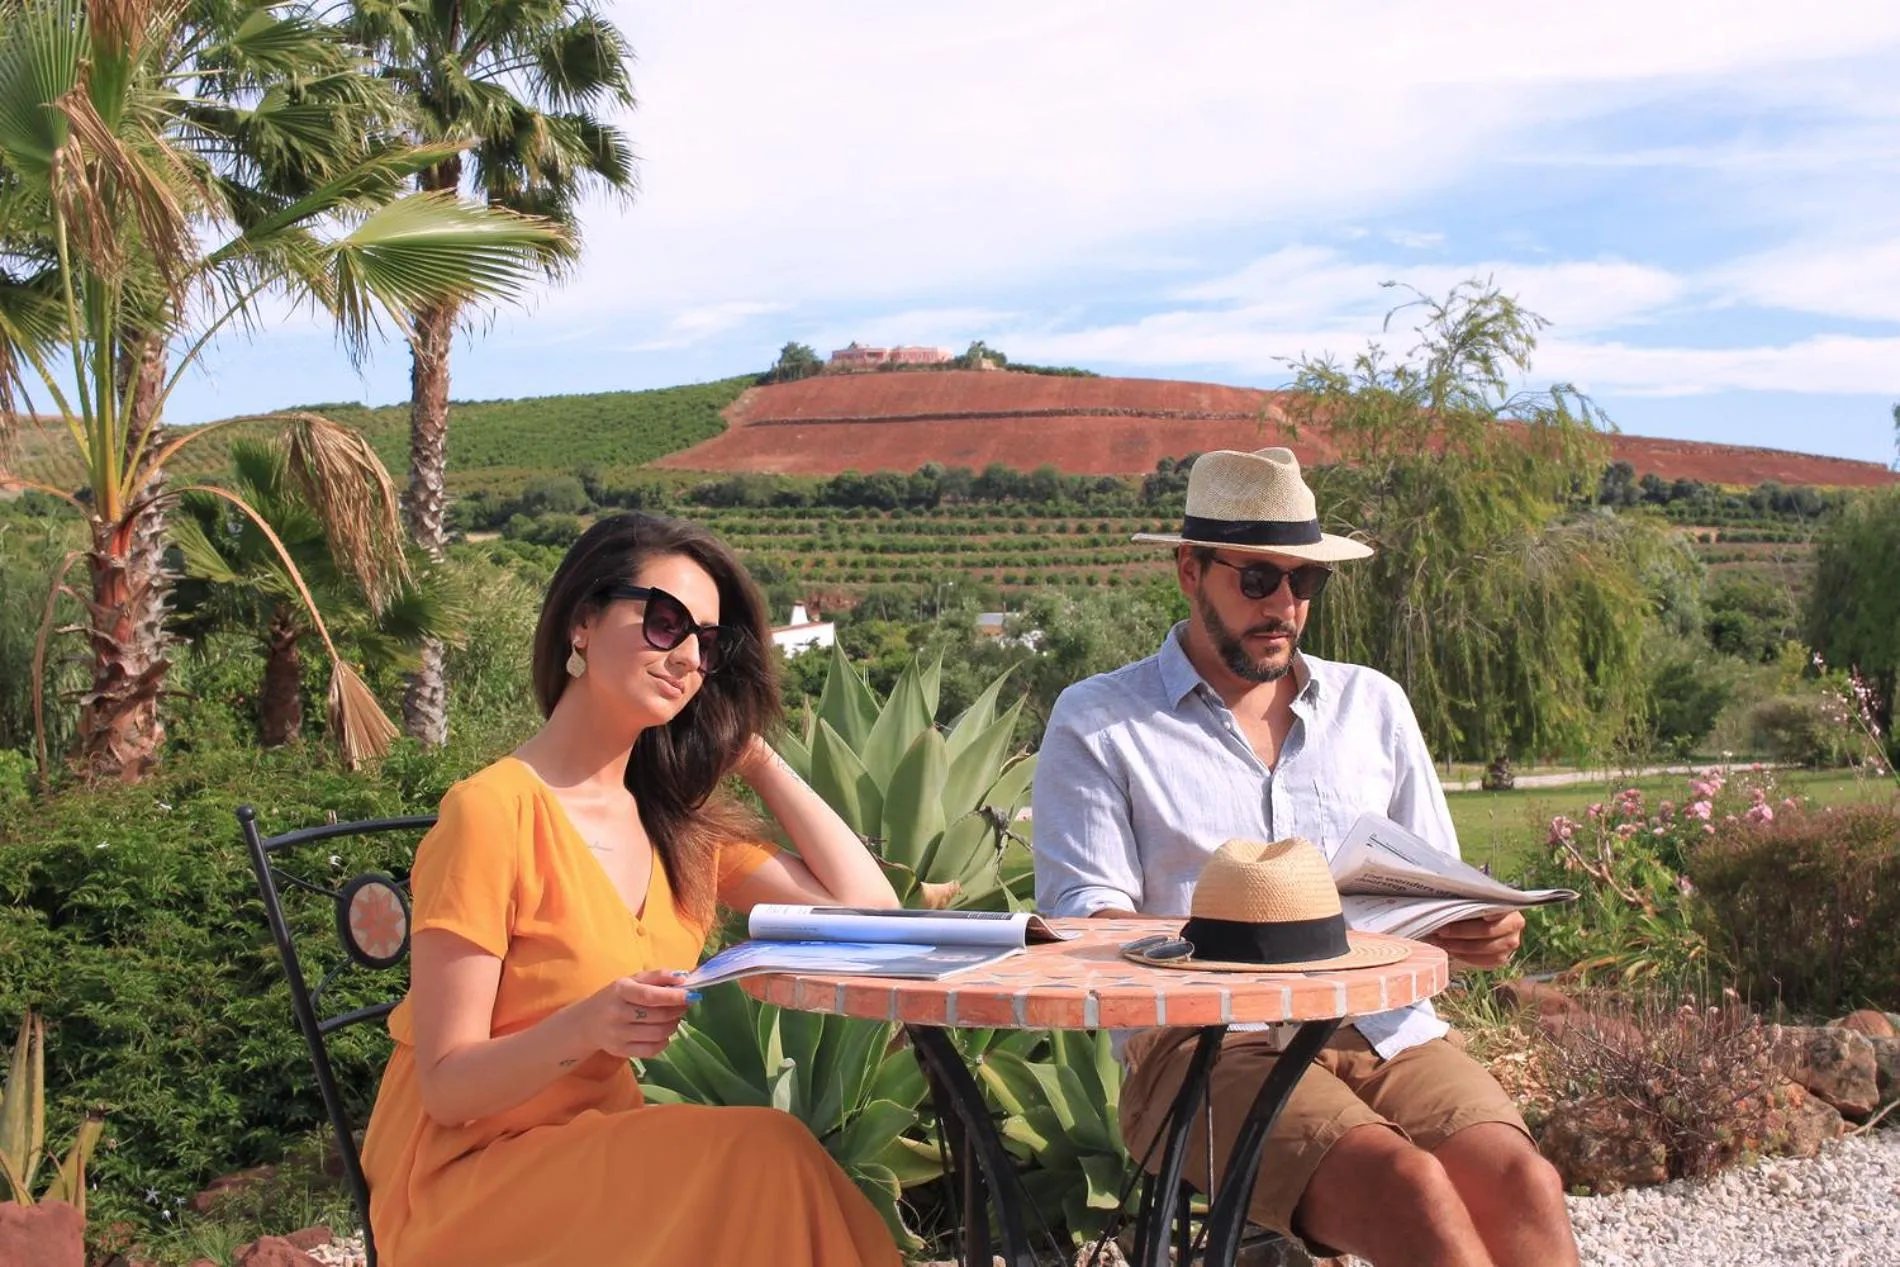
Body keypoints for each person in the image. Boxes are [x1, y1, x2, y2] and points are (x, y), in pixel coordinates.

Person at [1032, 448, 1577, 1267]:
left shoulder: (1373, 705)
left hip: (1386, 1028)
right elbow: (1088, 932)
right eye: (1258, 578)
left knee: (1525, 1184)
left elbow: (1438, 895)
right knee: (1411, 1188)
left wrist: (1479, 930)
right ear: (1191, 570)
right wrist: (1249, 937)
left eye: (1305, 582)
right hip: (1202, 1045)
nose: (1284, 604)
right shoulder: (1102, 722)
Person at [361, 513, 903, 1267]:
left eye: (707, 643)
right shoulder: (490, 814)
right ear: (581, 622)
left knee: (764, 1167)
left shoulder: (679, 830)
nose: (685, 657)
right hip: (469, 1181)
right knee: (764, 1155)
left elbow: (872, 915)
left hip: (606, 1156)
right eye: (663, 621)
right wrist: (588, 1026)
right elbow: (448, 1087)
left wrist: (750, 751)